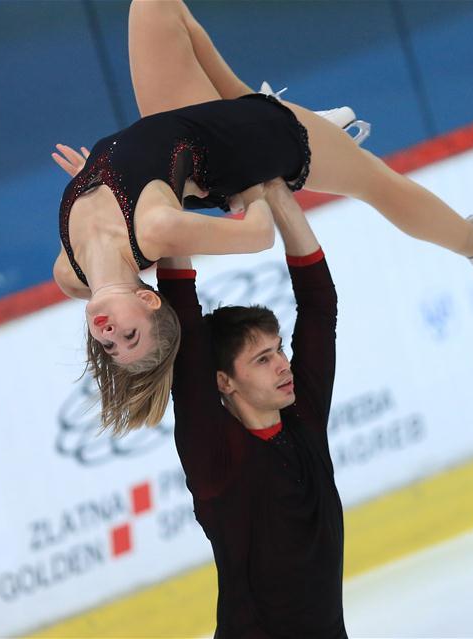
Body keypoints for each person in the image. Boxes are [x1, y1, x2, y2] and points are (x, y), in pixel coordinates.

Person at [51, 0, 473, 434]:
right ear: (148, 299)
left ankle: (275, 108)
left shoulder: (71, 274)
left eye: (110, 345)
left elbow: (87, 282)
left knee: (155, 8)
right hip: (243, 150)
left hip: (181, 134)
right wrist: (253, 187)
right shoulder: (157, 228)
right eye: (129, 335)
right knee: (378, 184)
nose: (109, 331)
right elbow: (259, 234)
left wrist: (92, 178)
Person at [158, 177, 346, 638]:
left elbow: (320, 306)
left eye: (279, 351)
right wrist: (163, 201)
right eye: (263, 360)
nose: (284, 366)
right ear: (224, 381)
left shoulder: (302, 416)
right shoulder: (215, 459)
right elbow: (182, 314)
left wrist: (273, 188)